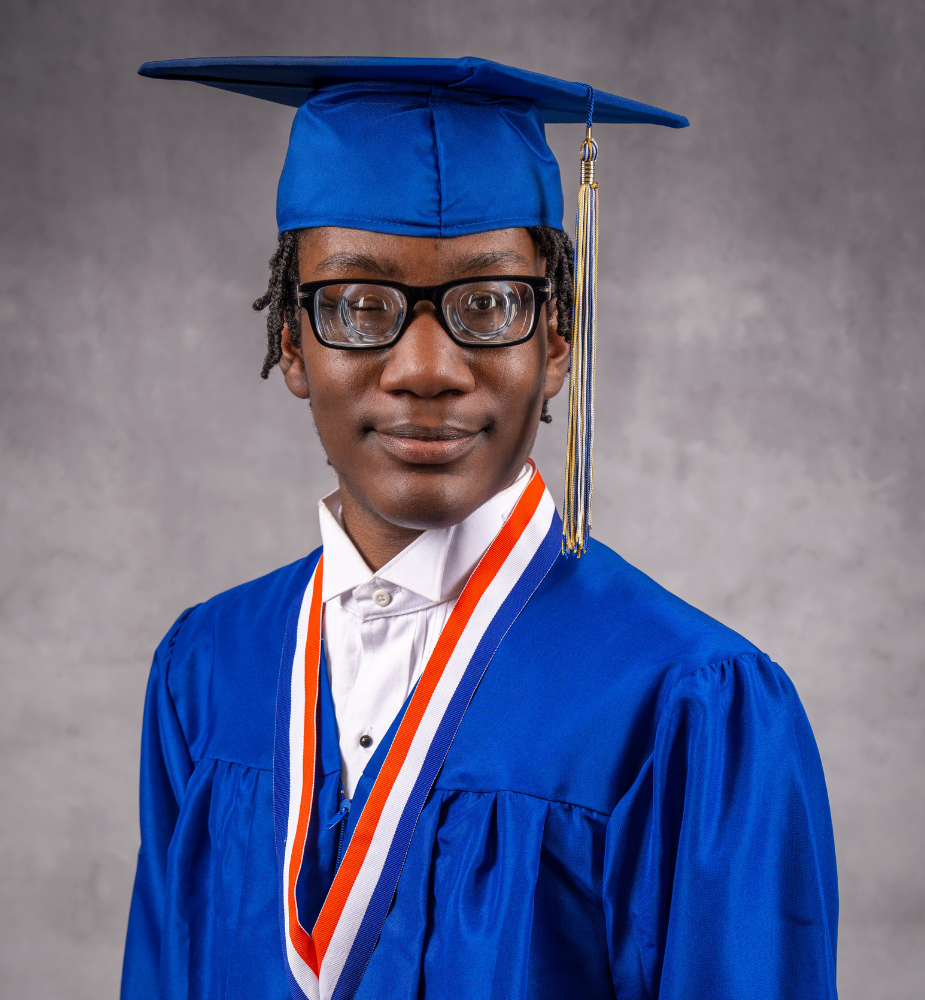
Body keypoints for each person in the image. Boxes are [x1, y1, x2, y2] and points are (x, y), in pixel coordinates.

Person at [121, 56, 838, 1000]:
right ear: (291, 343)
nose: (426, 368)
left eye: (489, 305)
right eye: (359, 305)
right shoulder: (206, 668)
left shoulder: (689, 708)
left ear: (558, 341)